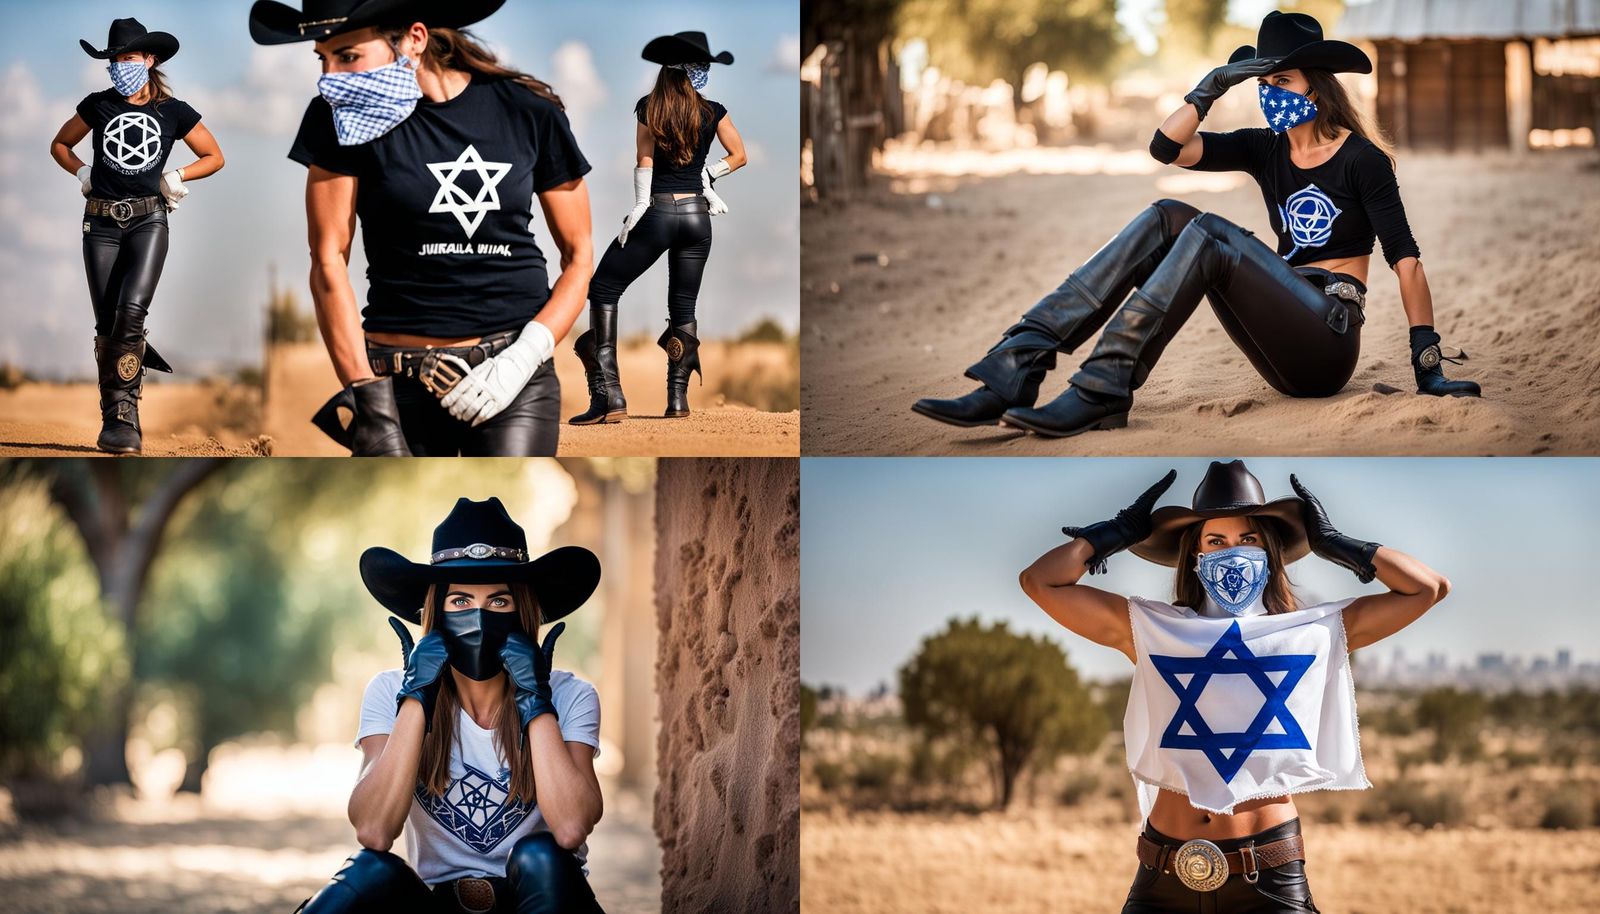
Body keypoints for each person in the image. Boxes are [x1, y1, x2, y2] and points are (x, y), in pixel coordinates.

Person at [914, 10, 1480, 440]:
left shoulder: (1363, 160)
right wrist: (1211, 87)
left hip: (1327, 338)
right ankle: (1017, 366)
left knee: (1208, 233)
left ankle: (1104, 383)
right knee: (1168, 216)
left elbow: (1405, 260)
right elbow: (1167, 147)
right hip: (1279, 332)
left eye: (1281, 81)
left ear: (1318, 84)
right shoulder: (1265, 149)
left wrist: (1428, 368)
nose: (1269, 94)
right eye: (1264, 84)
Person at [1020, 461, 1451, 912]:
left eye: (1249, 540)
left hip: (1267, 877)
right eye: (1217, 541)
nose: (1234, 552)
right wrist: (1114, 533)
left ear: (1270, 553)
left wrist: (1338, 545)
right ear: (1196, 556)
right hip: (1162, 874)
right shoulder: (1153, 628)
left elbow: (1427, 588)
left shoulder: (1312, 630)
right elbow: (1039, 581)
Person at [251, 0, 593, 456]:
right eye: (322, 58)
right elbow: (328, 260)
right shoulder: (336, 121)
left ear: (414, 39)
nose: (330, 77)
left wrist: (523, 356)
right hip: (394, 385)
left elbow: (579, 254)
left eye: (348, 56)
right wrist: (366, 397)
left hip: (513, 380)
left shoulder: (529, 113)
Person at [297, 497, 606, 913]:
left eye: (499, 601)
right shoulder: (389, 691)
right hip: (437, 907)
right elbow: (374, 830)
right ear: (434, 615)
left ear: (524, 613)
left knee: (543, 856)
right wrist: (416, 696)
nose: (479, 618)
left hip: (536, 901)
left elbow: (570, 828)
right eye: (459, 601)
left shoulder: (571, 696)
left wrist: (535, 699)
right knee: (371, 871)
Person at [50, 17, 224, 454]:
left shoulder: (174, 111)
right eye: (113, 62)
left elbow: (214, 155)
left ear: (149, 60)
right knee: (108, 322)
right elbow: (59, 144)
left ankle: (126, 415)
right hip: (100, 224)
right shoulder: (97, 105)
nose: (118, 68)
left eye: (126, 59)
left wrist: (178, 175)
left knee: (131, 311)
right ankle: (113, 419)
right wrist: (82, 172)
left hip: (149, 221)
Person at [572, 31, 747, 424]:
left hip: (661, 213)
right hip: (698, 217)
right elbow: (739, 155)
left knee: (603, 288)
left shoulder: (649, 108)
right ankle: (678, 401)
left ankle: (609, 394)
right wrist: (708, 174)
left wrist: (639, 204)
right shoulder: (713, 110)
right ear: (694, 71)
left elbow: (644, 159)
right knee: (683, 307)